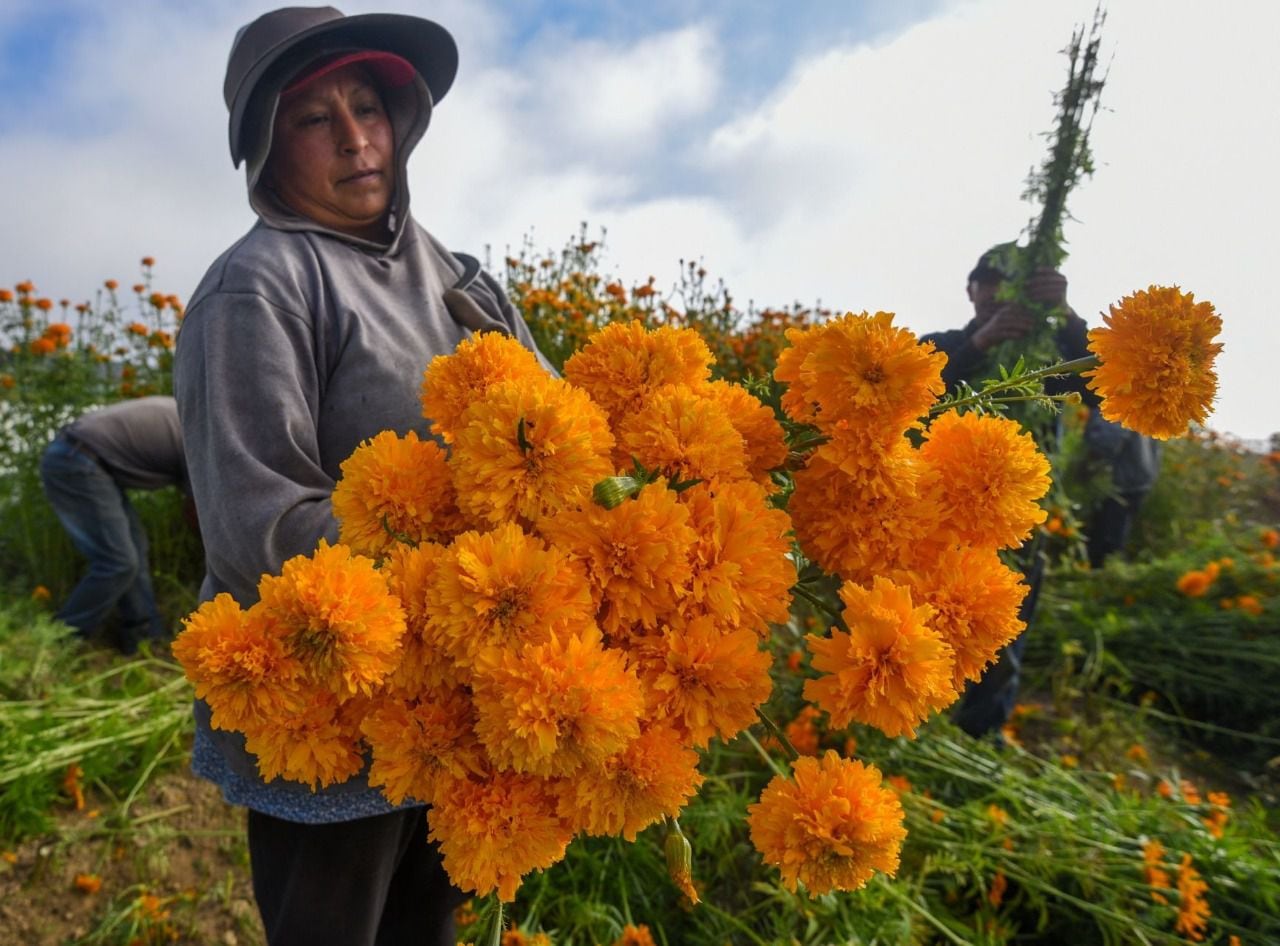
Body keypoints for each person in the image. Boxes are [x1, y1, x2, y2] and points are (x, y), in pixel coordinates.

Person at [174, 8, 552, 945]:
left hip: (458, 702)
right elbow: (261, 529)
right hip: (327, 720)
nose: (353, 138)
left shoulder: (462, 280)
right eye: (313, 119)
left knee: (429, 926)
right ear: (267, 146)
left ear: (403, 120)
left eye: (368, 105)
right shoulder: (258, 288)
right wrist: (457, 579)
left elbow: (560, 435)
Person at [921, 245, 1094, 739]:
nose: (997, 294)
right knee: (924, 617)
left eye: (1008, 283)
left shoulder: (1051, 358)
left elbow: (1107, 387)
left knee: (999, 634)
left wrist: (1066, 317)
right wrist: (979, 344)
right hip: (938, 515)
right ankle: (912, 718)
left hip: (1019, 523)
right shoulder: (944, 344)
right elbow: (905, 390)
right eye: (987, 283)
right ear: (970, 291)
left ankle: (978, 736)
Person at [39, 395, 190, 655]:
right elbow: (198, 510)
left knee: (134, 549)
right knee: (117, 561)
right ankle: (58, 642)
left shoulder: (192, 414)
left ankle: (145, 637)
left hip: (86, 458)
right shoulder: (201, 438)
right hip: (76, 460)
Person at [1083, 408, 1162, 567]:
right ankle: (1105, 575)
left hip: (1121, 483)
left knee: (1104, 539)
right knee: (1116, 535)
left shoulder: (1115, 400)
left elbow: (1105, 441)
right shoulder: (1141, 401)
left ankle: (1099, 579)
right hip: (1140, 480)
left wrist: (1085, 466)